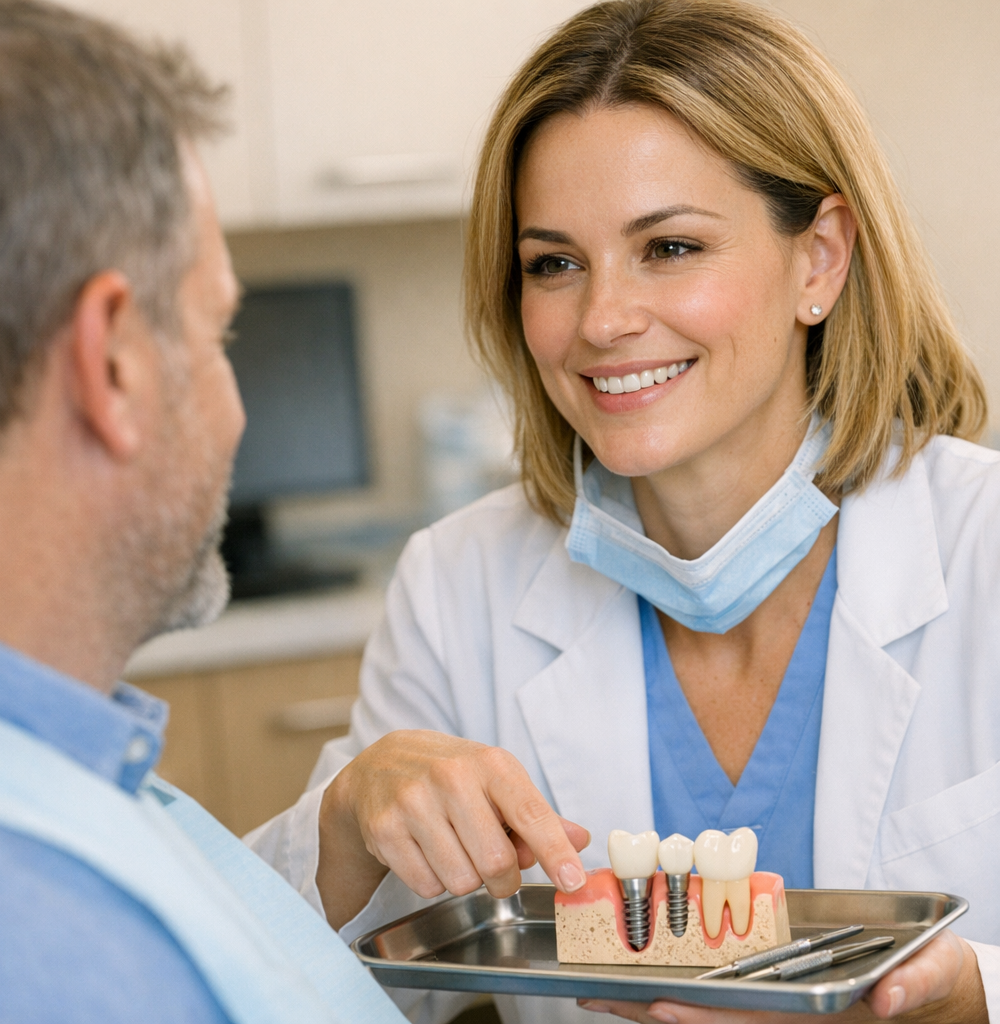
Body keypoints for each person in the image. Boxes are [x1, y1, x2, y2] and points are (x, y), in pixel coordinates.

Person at [246, 1, 1000, 1022]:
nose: (601, 320)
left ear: (817, 258)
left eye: (671, 247)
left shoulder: (982, 546)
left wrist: (973, 999)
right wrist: (343, 831)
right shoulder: (459, 584)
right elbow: (295, 999)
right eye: (553, 263)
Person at [0, 2, 411, 1021]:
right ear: (113, 364)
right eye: (220, 334)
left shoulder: (70, 769)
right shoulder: (48, 941)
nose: (235, 408)